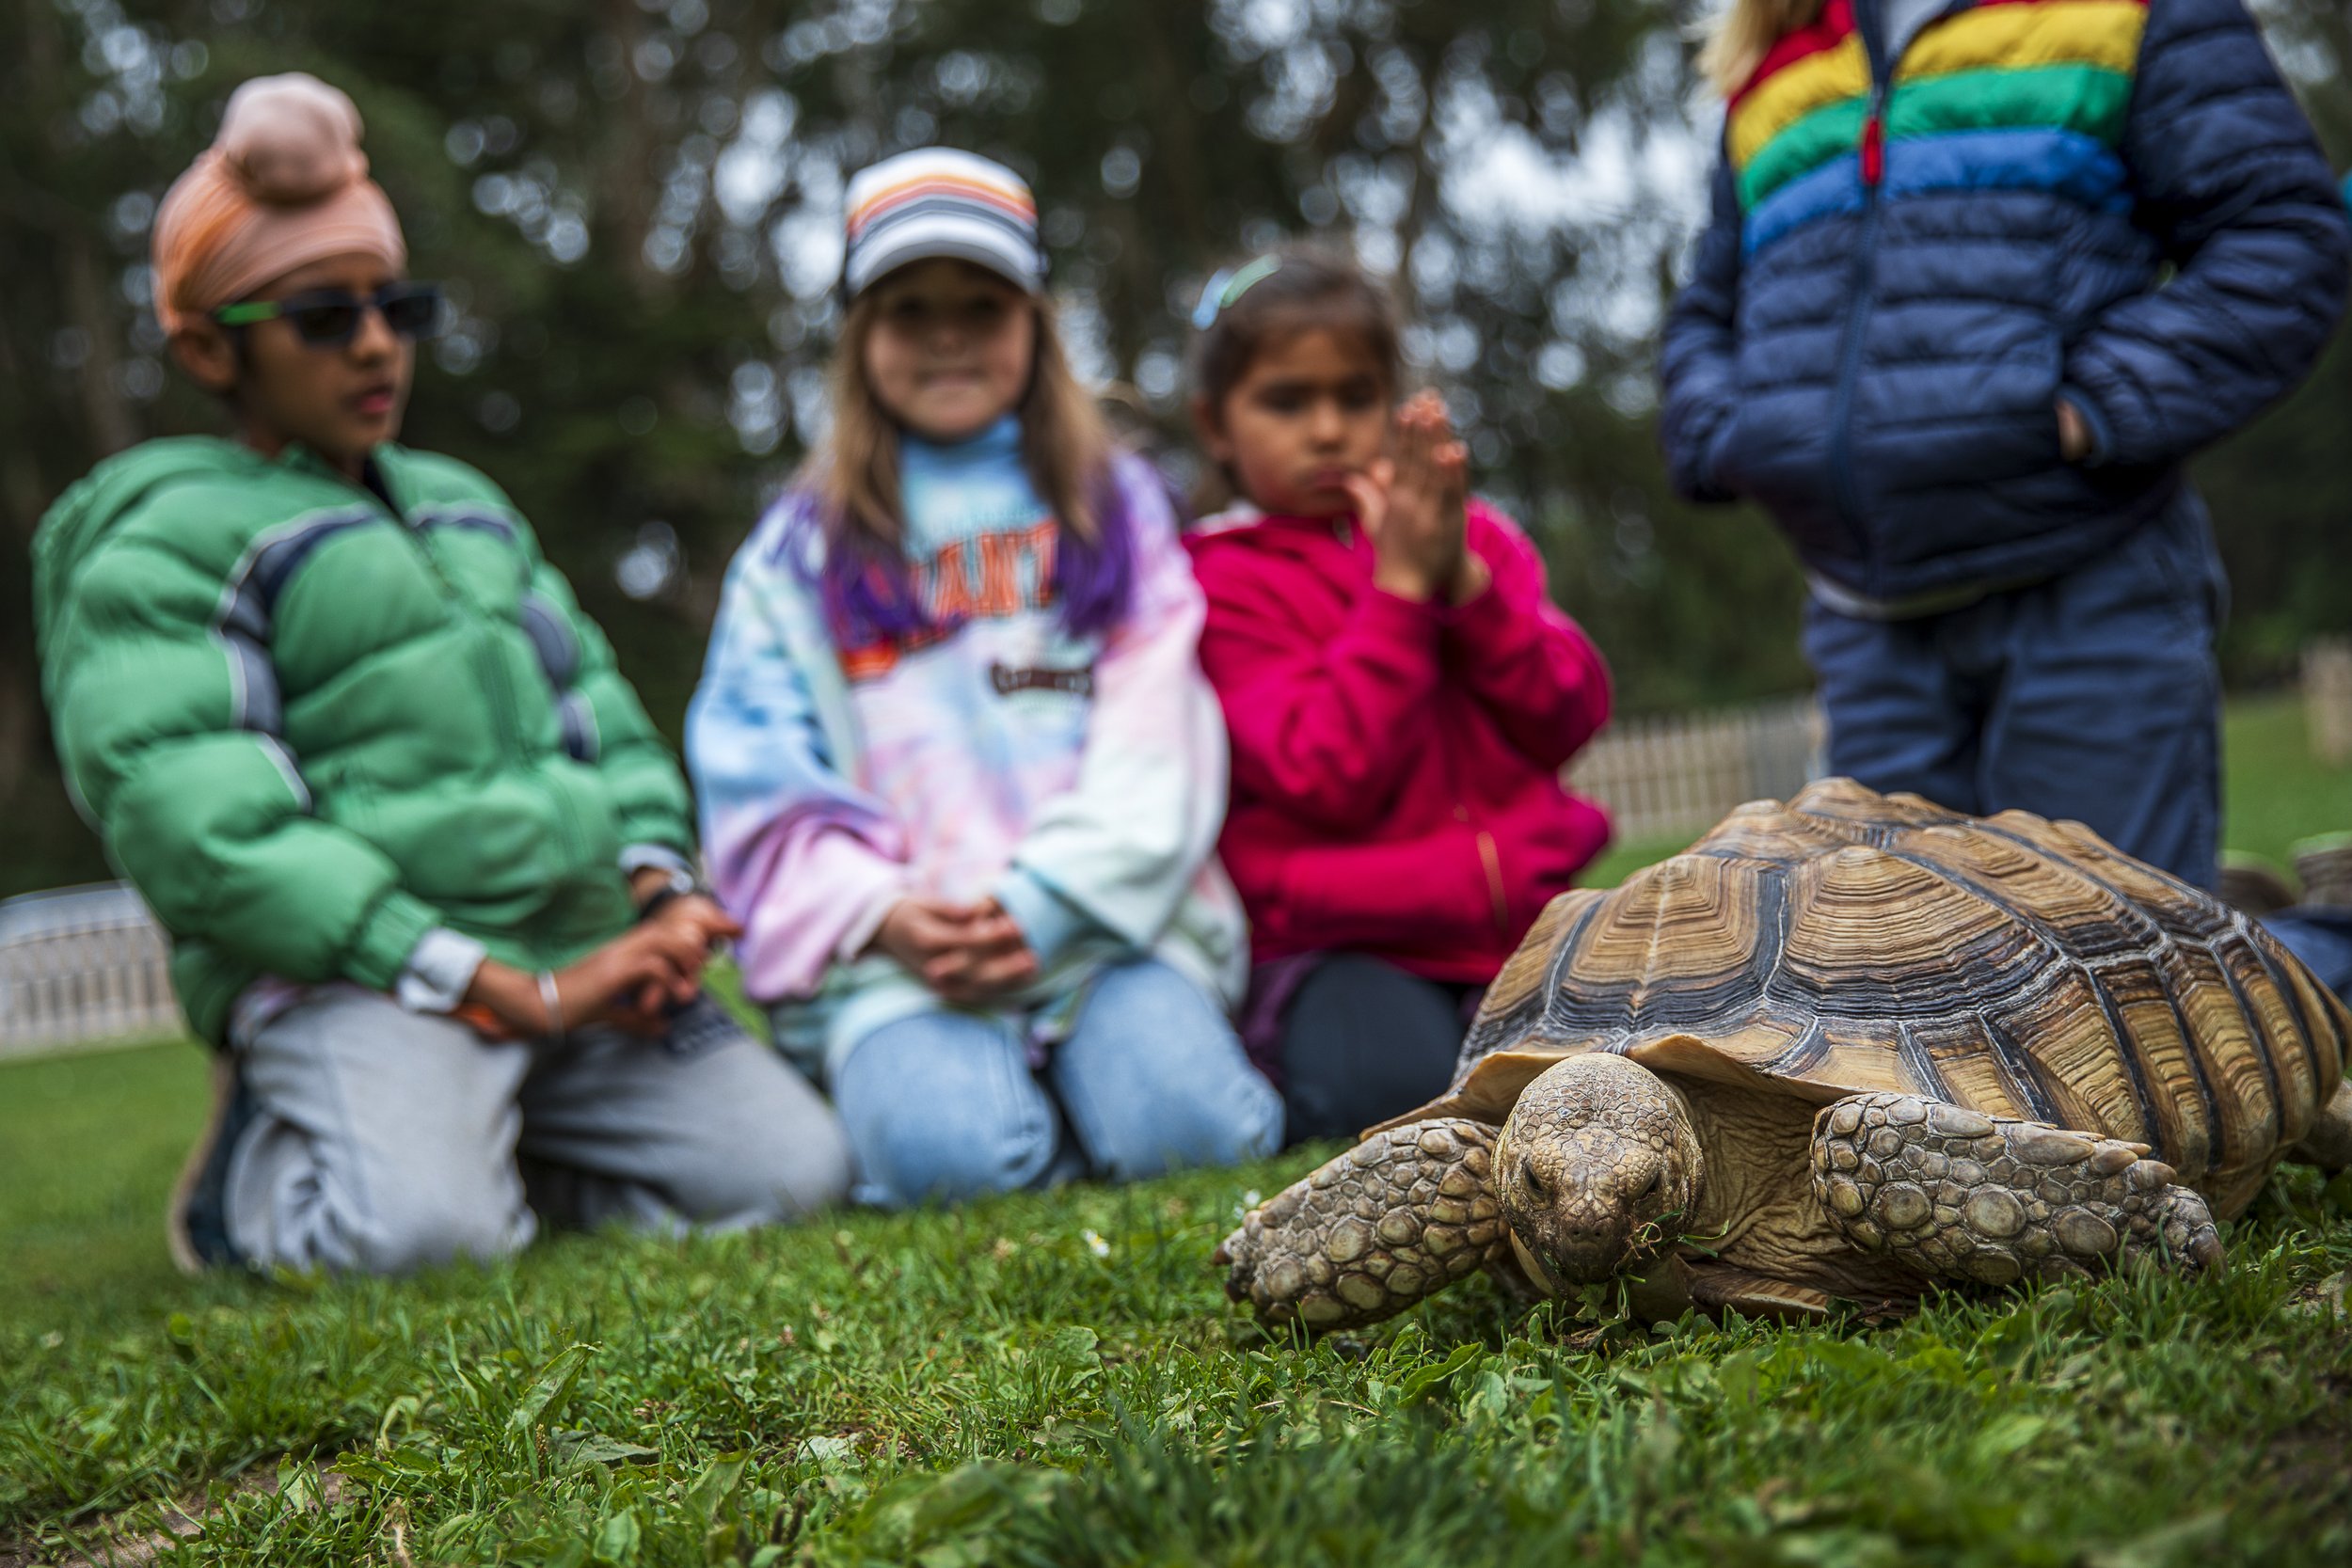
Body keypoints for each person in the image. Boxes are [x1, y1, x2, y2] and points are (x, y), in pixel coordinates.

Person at [31, 74, 850, 1276]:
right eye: (321, 315)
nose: (373, 342)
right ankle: (244, 1185)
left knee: (796, 1175)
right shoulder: (157, 544)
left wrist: (655, 882)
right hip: (364, 978)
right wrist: (484, 978)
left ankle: (501, 1144)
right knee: (417, 1238)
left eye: (393, 304)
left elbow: (603, 724)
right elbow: (203, 825)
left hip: (581, 959)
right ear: (209, 346)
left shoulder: (469, 508)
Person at [687, 148, 1280, 1207]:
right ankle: (996, 1096)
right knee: (946, 1160)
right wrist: (881, 911)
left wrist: (1043, 903)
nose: (948, 333)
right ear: (860, 335)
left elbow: (1161, 730)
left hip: (1104, 926)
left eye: (982, 302)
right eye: (910, 308)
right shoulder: (799, 549)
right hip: (905, 956)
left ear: (1035, 321)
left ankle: (1100, 1082)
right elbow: (756, 770)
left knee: (1189, 1132)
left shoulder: (1114, 504)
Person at [1661, 0, 2352, 892]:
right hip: (1869, 633)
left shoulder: (2126, 11)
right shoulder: (1779, 54)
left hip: (2087, 599)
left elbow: (2283, 237)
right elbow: (1708, 308)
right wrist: (1733, 436)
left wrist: (2083, 406)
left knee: (2115, 989)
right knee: (1875, 997)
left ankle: (2315, 944)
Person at [1181, 252, 1613, 1143]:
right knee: (1399, 1099)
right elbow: (1324, 771)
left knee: (1619, 1083)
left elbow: (1567, 715)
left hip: (1526, 929)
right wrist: (1401, 594)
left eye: (1357, 394)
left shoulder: (1473, 535)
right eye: (1287, 401)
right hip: (1347, 945)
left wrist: (1463, 583)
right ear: (1215, 425)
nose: (1330, 428)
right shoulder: (1217, 582)